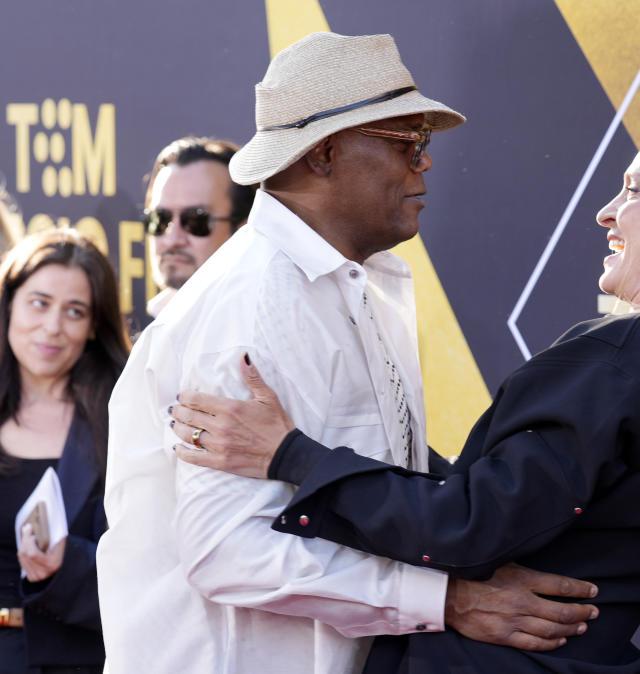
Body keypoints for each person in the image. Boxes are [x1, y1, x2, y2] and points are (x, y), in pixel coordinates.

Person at [171, 114, 640, 673]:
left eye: (635, 190)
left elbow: (468, 523)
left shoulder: (634, 353)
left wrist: (293, 455)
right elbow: (525, 506)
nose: (608, 212)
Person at [97, 32, 597, 674]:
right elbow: (227, 550)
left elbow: (374, 484)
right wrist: (450, 600)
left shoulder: (358, 281)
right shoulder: (252, 303)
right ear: (325, 153)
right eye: (408, 142)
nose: (426, 163)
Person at [0, 229, 129, 673]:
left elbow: (151, 565)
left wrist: (67, 563)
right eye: (39, 303)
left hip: (81, 660)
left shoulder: (125, 419)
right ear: (9, 302)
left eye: (74, 312)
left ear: (94, 325)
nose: (52, 327)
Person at [142, 136, 256, 316]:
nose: (173, 239)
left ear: (243, 229)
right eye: (160, 219)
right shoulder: (159, 319)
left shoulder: (263, 328)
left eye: (196, 221)